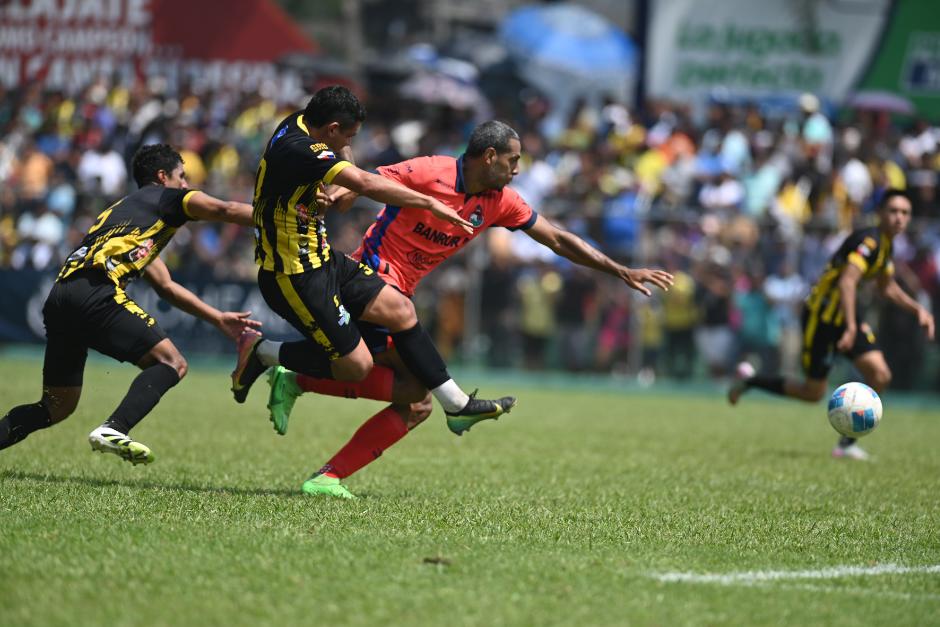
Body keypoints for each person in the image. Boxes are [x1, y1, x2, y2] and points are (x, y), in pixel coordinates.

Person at [264, 119, 675, 498]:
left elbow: (558, 239)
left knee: (414, 398)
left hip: (399, 293)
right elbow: (368, 181)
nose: (517, 169)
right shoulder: (431, 171)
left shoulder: (500, 201)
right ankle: (441, 407)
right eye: (513, 160)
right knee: (409, 381)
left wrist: (618, 269)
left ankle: (307, 412)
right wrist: (336, 193)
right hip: (372, 281)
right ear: (490, 156)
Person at [229, 86, 515, 496]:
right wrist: (429, 204)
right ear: (329, 128)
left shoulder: (301, 124)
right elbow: (364, 181)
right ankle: (264, 352)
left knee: (403, 328)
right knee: (362, 370)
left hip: (324, 259)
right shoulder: (299, 149)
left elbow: (347, 172)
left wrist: (336, 186)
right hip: (293, 275)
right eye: (347, 136)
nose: (351, 145)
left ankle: (453, 405)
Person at [0, 144, 260, 464]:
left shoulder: (128, 213)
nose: (186, 184)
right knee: (172, 363)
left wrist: (217, 317)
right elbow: (225, 210)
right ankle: (115, 428)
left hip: (61, 295)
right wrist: (284, 219)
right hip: (96, 291)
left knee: (56, 406)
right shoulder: (168, 197)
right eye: (182, 176)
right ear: (163, 177)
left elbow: (166, 287)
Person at [728, 189, 935, 460]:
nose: (899, 217)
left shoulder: (885, 246)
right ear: (881, 213)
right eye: (894, 211)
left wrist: (917, 308)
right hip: (822, 317)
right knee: (813, 392)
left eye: (905, 213)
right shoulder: (869, 242)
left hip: (846, 318)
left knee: (880, 375)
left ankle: (845, 445)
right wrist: (851, 327)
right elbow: (847, 281)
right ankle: (750, 381)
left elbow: (886, 288)